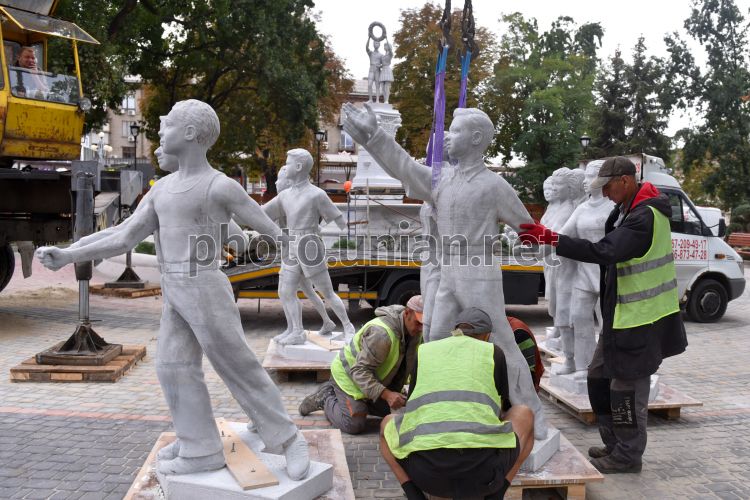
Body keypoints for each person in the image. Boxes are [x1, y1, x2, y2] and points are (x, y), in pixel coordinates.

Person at [36, 100, 311, 479]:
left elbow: (268, 228)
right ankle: (200, 447)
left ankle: (289, 438)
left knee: (237, 365)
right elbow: (123, 235)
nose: (160, 133)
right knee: (172, 367)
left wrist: (291, 246)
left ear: (190, 133)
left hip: (206, 288)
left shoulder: (220, 186)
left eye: (166, 126)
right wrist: (70, 253)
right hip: (175, 290)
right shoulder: (162, 189)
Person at [343, 102, 549, 440]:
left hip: (479, 271)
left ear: (476, 138)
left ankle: (533, 412)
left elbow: (528, 227)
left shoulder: (494, 186)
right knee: (435, 339)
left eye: (455, 132)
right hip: (447, 271)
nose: (447, 138)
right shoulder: (442, 180)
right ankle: (432, 407)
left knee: (501, 341)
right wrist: (374, 136)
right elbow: (405, 168)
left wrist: (551, 244)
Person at [519, 156, 688, 473]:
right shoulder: (625, 209)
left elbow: (605, 250)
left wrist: (552, 239)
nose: (604, 193)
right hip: (622, 316)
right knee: (597, 378)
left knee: (626, 392)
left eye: (607, 186)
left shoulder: (645, 216)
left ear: (626, 180)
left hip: (641, 320)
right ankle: (614, 445)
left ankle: (628, 455)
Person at [380, 308, 534, 500]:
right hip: (483, 475)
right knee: (524, 413)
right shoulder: (493, 352)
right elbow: (500, 409)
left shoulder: (425, 350)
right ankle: (496, 494)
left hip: (427, 475)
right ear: (487, 336)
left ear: (456, 331)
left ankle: (415, 496)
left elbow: (412, 408)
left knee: (386, 424)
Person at [262, 148, 355, 345]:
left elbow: (340, 222)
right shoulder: (285, 196)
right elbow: (261, 213)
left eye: (288, 163)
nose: (285, 166)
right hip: (292, 245)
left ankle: (348, 326)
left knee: (326, 291)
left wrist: (319, 232)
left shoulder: (316, 195)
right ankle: (295, 331)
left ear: (298, 167)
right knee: (285, 291)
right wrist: (233, 208)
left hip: (309, 245)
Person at [298, 295, 424, 434]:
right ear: (407, 313)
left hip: (372, 378)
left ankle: (361, 402)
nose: (421, 328)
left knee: (403, 410)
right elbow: (359, 371)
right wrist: (387, 395)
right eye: (418, 323)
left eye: (424, 324)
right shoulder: (381, 335)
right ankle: (326, 397)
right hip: (349, 377)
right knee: (354, 424)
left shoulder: (413, 331)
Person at [269, 164, 337, 339]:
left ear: (287, 182)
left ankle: (296, 329)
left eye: (279, 179)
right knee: (301, 291)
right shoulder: (284, 200)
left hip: (297, 253)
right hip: (291, 253)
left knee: (289, 292)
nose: (276, 183)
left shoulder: (292, 200)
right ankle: (301, 326)